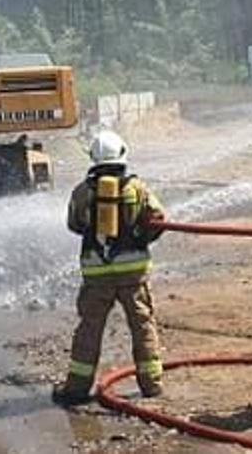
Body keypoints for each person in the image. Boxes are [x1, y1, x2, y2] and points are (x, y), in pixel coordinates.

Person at [53, 129, 168, 405]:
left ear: (93, 157)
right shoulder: (137, 188)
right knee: (142, 326)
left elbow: (74, 224)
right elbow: (159, 219)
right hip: (133, 274)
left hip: (97, 276)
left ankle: (77, 389)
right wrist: (140, 238)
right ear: (122, 153)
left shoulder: (82, 191)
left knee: (89, 330)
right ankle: (151, 386)